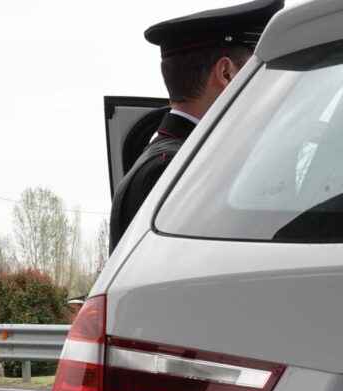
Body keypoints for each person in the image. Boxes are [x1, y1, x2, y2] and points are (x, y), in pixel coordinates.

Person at [109, 0, 284, 253]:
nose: (260, 86)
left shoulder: (171, 162)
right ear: (226, 74)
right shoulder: (176, 170)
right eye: (252, 72)